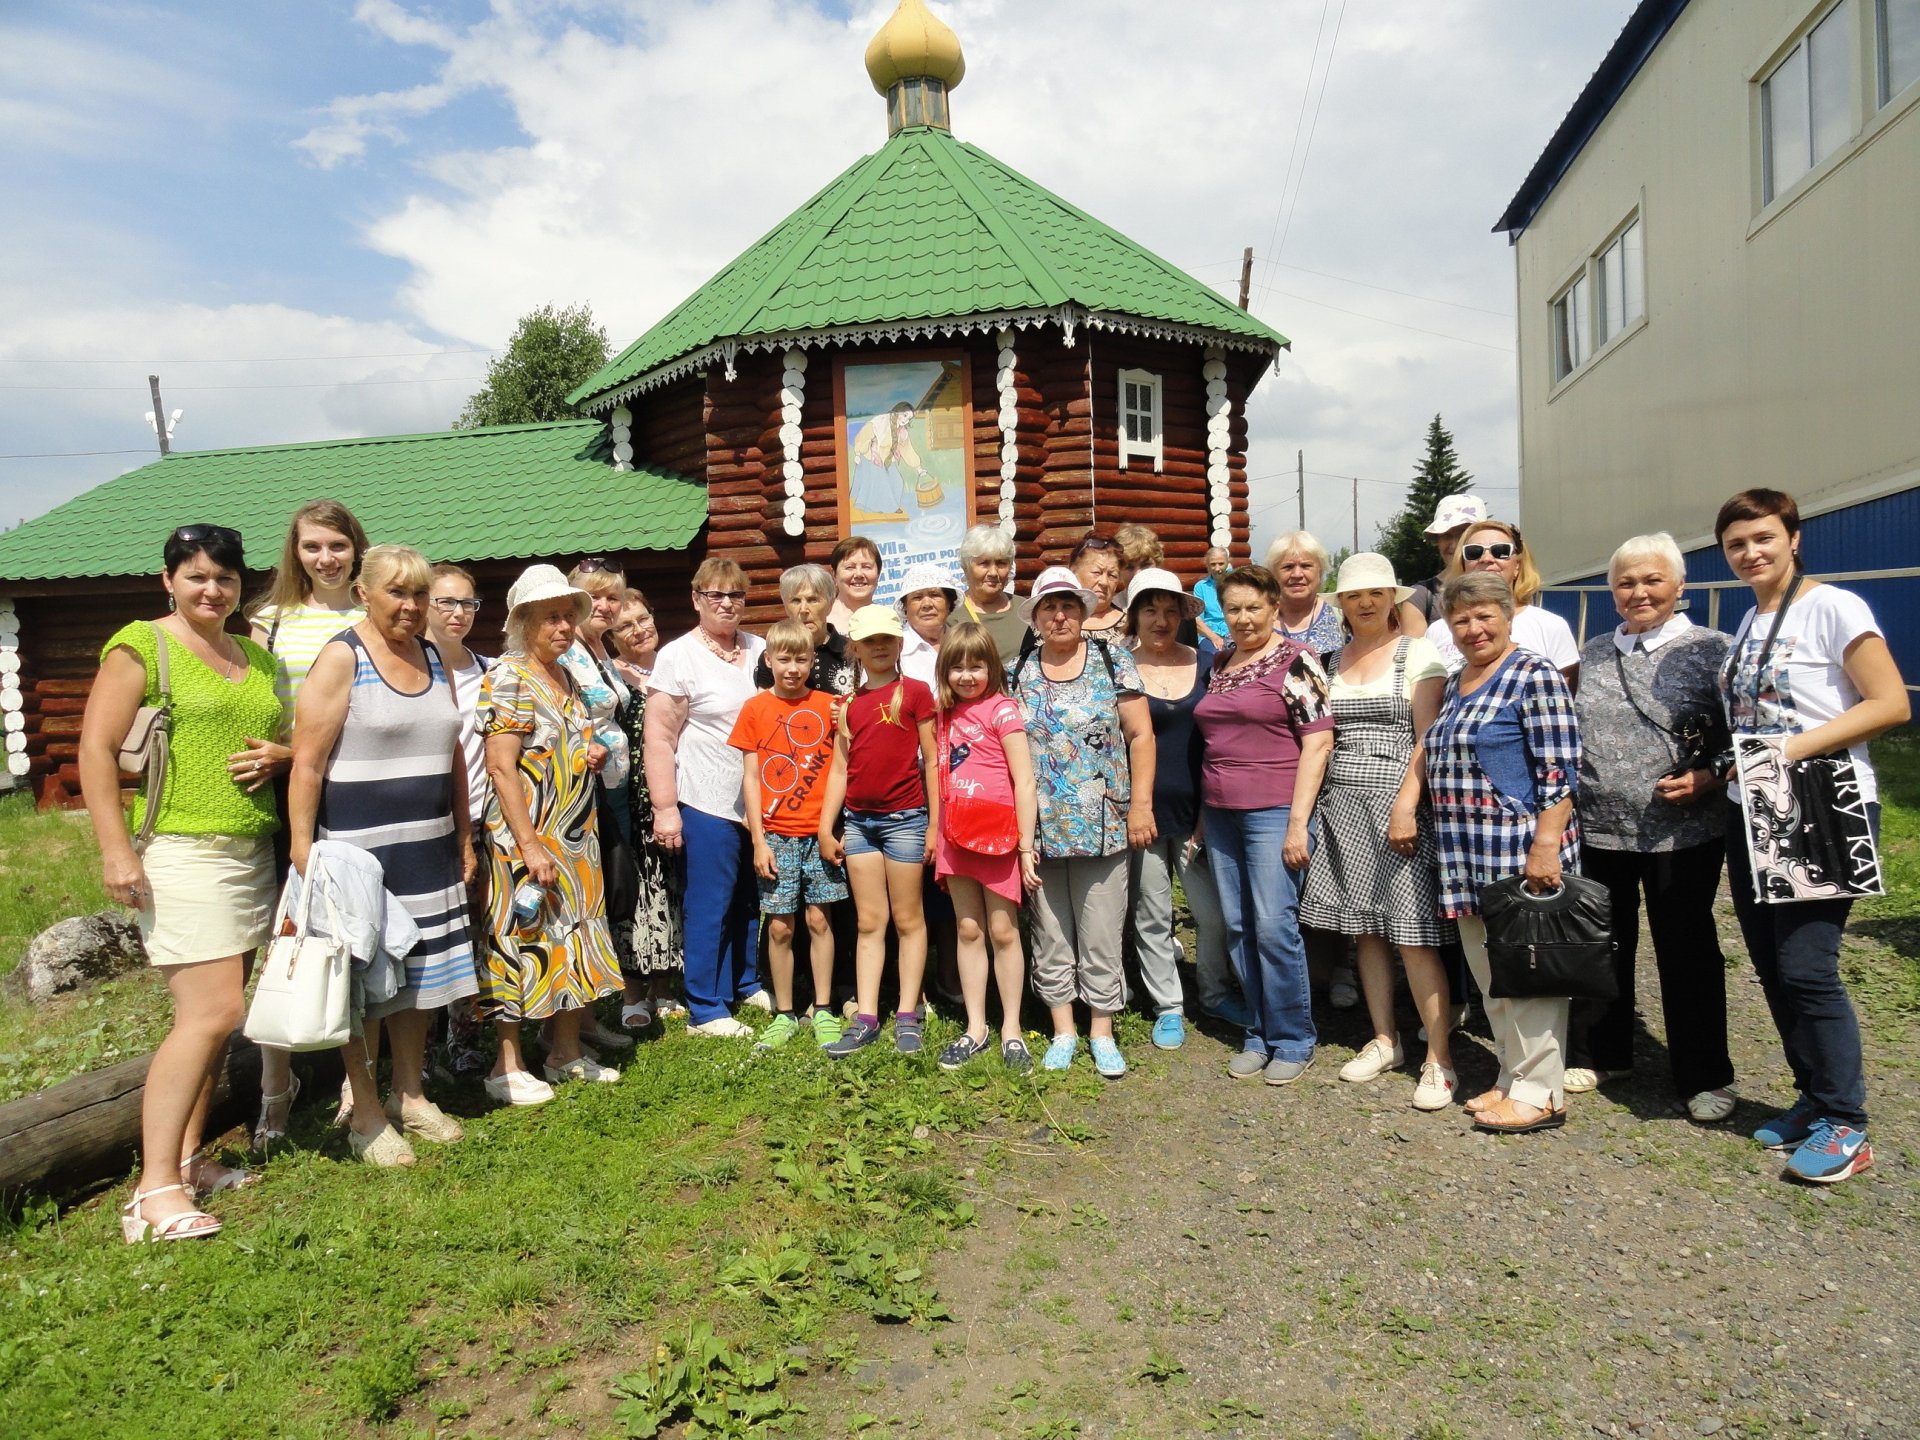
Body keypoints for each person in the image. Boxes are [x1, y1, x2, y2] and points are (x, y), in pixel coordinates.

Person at [82, 524, 283, 1241]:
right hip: (178, 848)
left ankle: (190, 1160)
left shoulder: (254, 657)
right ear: (169, 579)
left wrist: (281, 754)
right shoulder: (144, 645)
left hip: (250, 849)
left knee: (219, 1016)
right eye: (196, 576)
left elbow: (284, 735)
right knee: (209, 1011)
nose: (211, 589)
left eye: (224, 579)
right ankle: (152, 1191)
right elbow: (97, 751)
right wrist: (116, 851)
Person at [1717, 489, 1908, 1183]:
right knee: (1770, 963)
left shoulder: (1834, 607)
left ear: (1793, 538)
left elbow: (1889, 703)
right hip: (1753, 807)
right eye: (1737, 543)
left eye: (1763, 538)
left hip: (1820, 806)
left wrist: (1788, 752)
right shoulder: (1747, 619)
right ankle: (1814, 1097)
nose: (1750, 553)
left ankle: (1846, 1123)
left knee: (1808, 966)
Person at [290, 544, 478, 1163]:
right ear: (365, 594)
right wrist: (303, 849)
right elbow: (308, 763)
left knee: (420, 977)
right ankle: (365, 1114)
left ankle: (410, 1095)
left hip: (427, 846)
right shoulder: (343, 657)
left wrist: (464, 834)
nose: (412, 605)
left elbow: (452, 748)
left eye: (420, 594)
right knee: (365, 985)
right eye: (398, 593)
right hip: (360, 854)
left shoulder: (431, 654)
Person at [1566, 534, 1736, 1119]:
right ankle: (1604, 1051)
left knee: (1686, 946)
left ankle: (1704, 1073)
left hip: (1681, 828)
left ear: (1679, 586)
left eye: (1652, 580)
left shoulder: (1713, 648)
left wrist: (1711, 777)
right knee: (1605, 944)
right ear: (1612, 591)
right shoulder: (1591, 655)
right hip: (1601, 826)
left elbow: (1748, 730)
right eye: (1626, 582)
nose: (1639, 592)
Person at [1297, 554, 1458, 1111]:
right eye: (1352, 594)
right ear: (1339, 603)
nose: (1364, 603)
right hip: (1341, 801)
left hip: (1399, 801)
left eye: (1375, 593)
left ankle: (1439, 1057)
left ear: (1393, 597)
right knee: (1365, 930)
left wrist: (1407, 805)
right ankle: (1385, 1038)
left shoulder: (1420, 653)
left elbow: (1427, 739)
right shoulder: (1326, 658)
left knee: (1412, 935)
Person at [1424, 572, 1581, 1134]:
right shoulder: (1458, 681)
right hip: (1466, 856)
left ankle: (1543, 1092)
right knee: (1491, 976)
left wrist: (1546, 845)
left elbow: (1560, 769)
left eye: (1485, 615)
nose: (1473, 628)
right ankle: (1513, 1078)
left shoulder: (1532, 674)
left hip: (1518, 853)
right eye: (1461, 619)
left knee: (1529, 975)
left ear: (1509, 616)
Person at [476, 565, 624, 1105]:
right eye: (550, 617)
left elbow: (559, 743)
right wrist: (530, 844)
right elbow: (501, 766)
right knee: (522, 939)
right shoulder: (510, 674)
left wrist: (591, 751)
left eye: (568, 615)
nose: (563, 626)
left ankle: (564, 1052)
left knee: (573, 933)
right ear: (523, 622)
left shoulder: (562, 673)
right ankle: (505, 1066)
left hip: (574, 834)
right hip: (527, 837)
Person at [248, 498, 369, 1148]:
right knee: (285, 934)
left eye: (337, 546)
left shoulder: (372, 613)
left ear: (356, 549)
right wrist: (285, 754)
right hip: (284, 796)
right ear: (295, 553)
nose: (326, 558)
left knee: (354, 931)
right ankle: (276, 1084)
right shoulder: (270, 621)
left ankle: (358, 1077)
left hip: (356, 792)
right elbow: (261, 710)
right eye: (313, 546)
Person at [1011, 567, 1156, 1079]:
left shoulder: (1113, 660)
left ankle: (1101, 1030)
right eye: (1049, 608)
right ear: (1036, 617)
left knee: (1099, 930)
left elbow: (1140, 736)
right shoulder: (1019, 670)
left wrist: (1141, 805)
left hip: (1105, 823)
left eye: (1069, 605)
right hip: (1042, 829)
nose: (1060, 615)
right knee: (1051, 931)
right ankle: (1063, 1029)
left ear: (1083, 609)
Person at [1194, 564, 1334, 1086]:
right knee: (1237, 924)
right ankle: (1260, 1030)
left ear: (1275, 607)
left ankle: (1294, 1036)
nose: (1244, 617)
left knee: (1274, 925)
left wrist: (1299, 823)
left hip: (1274, 809)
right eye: (1234, 608)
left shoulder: (1297, 660)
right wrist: (1205, 819)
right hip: (1222, 811)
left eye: (1254, 607)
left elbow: (1318, 742)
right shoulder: (1224, 662)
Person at [646, 558, 771, 1037]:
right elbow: (659, 736)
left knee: (748, 898)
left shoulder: (759, 648)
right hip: (705, 795)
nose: (726, 603)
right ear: (696, 598)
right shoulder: (678, 656)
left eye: (735, 595)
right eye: (715, 594)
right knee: (710, 901)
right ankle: (705, 1005)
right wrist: (666, 807)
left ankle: (743, 981)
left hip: (756, 801)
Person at [1123, 568, 1240, 1047]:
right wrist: (1136, 807)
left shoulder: (1207, 661)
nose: (1161, 619)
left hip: (1201, 813)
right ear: (1134, 616)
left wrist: (1207, 816)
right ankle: (1167, 1005)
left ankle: (1214, 993)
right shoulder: (1119, 668)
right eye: (1150, 610)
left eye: (1171, 610)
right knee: (1153, 913)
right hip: (1143, 813)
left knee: (1213, 915)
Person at [817, 605, 938, 1055]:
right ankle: (866, 1015)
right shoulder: (848, 705)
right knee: (870, 922)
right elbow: (839, 769)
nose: (880, 647)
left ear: (900, 643)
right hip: (859, 824)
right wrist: (825, 826)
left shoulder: (918, 693)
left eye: (887, 638)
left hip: (906, 821)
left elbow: (933, 764)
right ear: (855, 649)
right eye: (869, 641)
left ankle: (908, 1013)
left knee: (909, 920)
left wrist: (934, 827)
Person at [729, 620, 847, 1051]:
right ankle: (784, 1012)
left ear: (812, 661)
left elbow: (843, 767)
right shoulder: (755, 708)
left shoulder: (831, 706)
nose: (792, 668)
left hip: (820, 834)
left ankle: (824, 1008)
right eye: (784, 659)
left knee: (819, 919)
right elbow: (751, 779)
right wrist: (758, 839)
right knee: (779, 926)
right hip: (775, 834)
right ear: (768, 660)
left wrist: (832, 829)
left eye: (801, 659)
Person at [930, 622, 1039, 1072]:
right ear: (945, 671)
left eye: (976, 666)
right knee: (968, 929)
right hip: (956, 836)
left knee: (1003, 930)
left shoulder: (1003, 710)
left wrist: (1026, 848)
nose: (967, 675)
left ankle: (1011, 1028)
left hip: (999, 839)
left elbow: (1025, 781)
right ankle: (976, 1027)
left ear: (991, 667)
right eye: (957, 667)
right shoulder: (943, 715)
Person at [554, 559, 642, 1058]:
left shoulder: (601, 651)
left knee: (605, 899)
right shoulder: (568, 652)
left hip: (613, 788)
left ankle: (583, 1017)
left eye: (613, 597)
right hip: (583, 791)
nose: (605, 606)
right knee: (586, 901)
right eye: (596, 597)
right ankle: (568, 1025)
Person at [425, 563, 494, 1076]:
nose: (458, 614)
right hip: (424, 820)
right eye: (446, 602)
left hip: (482, 818)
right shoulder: (410, 666)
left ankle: (464, 1038)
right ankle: (418, 1052)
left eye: (467, 604)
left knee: (474, 931)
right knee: (425, 936)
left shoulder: (488, 671)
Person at [608, 589, 684, 1025]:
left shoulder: (673, 665)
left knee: (668, 891)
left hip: (673, 795)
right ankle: (632, 992)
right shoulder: (612, 677)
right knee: (633, 895)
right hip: (628, 802)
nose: (639, 630)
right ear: (613, 636)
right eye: (625, 626)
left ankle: (664, 985)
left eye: (643, 618)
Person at [1432, 521, 1580, 689]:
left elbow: (1563, 701)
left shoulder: (1550, 626)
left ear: (1517, 565)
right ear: (1463, 564)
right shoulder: (1437, 631)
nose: (1486, 559)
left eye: (1500, 551)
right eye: (1474, 552)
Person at [756, 563, 858, 697]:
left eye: (813, 600)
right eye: (796, 601)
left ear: (830, 603)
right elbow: (765, 708)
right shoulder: (775, 656)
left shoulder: (851, 651)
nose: (803, 609)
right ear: (785, 607)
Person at [1407, 493, 1488, 623]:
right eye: (1447, 535)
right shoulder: (1421, 596)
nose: (1455, 544)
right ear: (1437, 540)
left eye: (1463, 534)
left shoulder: (1514, 588)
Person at [1264, 532, 1347, 657]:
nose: (1297, 574)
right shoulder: (1258, 620)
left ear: (1320, 571)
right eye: (1288, 567)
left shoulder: (1343, 618)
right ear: (1273, 574)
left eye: (1306, 566)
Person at [955, 523, 1026, 667]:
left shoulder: (1024, 611)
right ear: (966, 567)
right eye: (984, 563)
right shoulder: (952, 613)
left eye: (1001, 563)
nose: (993, 572)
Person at [848, 406, 929, 524]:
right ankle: (881, 508)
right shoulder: (880, 422)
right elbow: (863, 436)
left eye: (909, 418)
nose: (906, 420)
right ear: (896, 412)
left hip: (887, 459)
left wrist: (918, 468)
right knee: (882, 481)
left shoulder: (902, 432)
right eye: (905, 415)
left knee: (897, 481)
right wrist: (858, 453)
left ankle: (891, 506)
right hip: (871, 456)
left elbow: (907, 450)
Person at [894, 560, 959, 689]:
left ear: (949, 603)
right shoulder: (894, 649)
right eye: (917, 598)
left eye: (935, 595)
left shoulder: (963, 641)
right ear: (905, 606)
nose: (927, 604)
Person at [1068, 533, 1127, 638]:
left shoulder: (1130, 628)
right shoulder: (1049, 624)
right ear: (1074, 571)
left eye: (1112, 575)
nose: (1104, 582)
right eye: (1097, 573)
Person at [826, 536, 883, 635]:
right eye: (850, 567)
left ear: (878, 574)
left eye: (866, 567)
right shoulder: (822, 618)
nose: (859, 574)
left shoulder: (888, 618)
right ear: (834, 574)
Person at [1193, 546, 1231, 649]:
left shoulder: (1235, 584)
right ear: (1207, 566)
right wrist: (1214, 638)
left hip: (1233, 633)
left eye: (1221, 563)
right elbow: (1198, 620)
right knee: (1211, 658)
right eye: (1213, 564)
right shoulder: (1201, 587)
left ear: (1227, 563)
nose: (1217, 568)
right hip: (1209, 636)